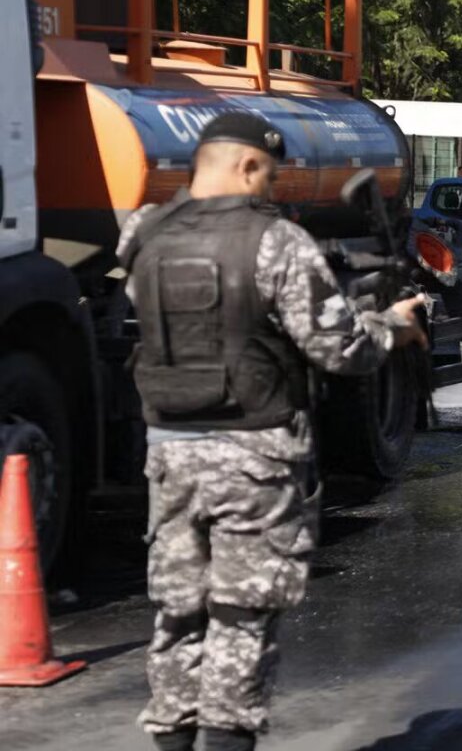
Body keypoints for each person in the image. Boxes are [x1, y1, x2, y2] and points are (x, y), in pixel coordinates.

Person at [118, 113, 428, 751]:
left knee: (179, 612)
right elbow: (338, 348)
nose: (272, 187)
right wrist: (393, 325)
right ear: (248, 165)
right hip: (253, 454)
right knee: (241, 615)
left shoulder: (144, 234)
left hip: (168, 453)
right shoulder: (273, 242)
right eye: (271, 174)